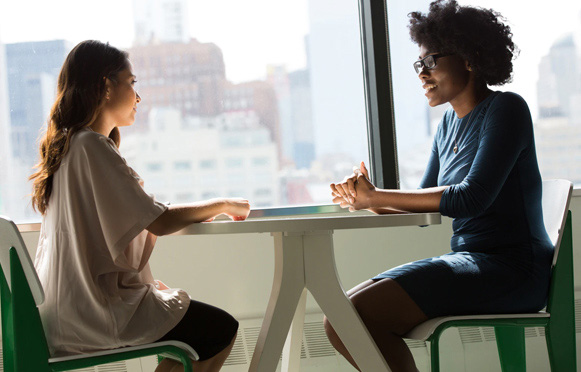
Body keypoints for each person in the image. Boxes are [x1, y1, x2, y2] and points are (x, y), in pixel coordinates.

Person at [325, 1, 553, 371]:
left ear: (469, 58)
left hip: (513, 269)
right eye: (419, 64)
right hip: (471, 262)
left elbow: (470, 199)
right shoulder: (447, 125)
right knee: (340, 319)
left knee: (352, 317)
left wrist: (376, 195)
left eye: (431, 62)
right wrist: (363, 200)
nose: (421, 74)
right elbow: (424, 208)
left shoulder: (506, 109)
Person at [30, 40, 251, 372]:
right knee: (219, 330)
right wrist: (223, 203)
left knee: (191, 336)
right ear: (106, 86)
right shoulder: (91, 146)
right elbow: (158, 220)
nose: (138, 96)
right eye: (132, 83)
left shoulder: (68, 148)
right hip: (93, 313)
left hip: (64, 312)